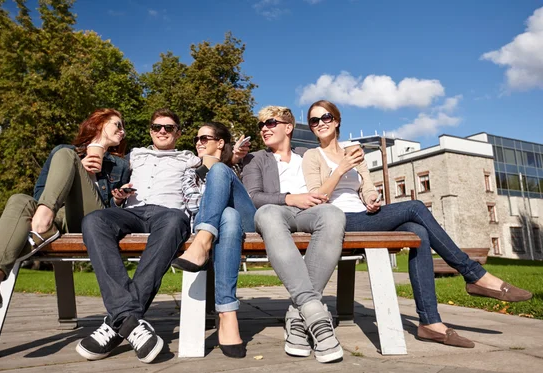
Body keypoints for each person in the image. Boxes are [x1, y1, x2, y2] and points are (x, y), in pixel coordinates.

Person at [302, 99, 533, 348]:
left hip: (363, 216)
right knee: (415, 206)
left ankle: (429, 323)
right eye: (314, 121)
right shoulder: (312, 156)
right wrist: (340, 169)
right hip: (336, 220)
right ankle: (474, 274)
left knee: (418, 230)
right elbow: (318, 199)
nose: (320, 123)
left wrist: (372, 199)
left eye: (326, 117)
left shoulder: (354, 153)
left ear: (336, 121)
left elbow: (367, 187)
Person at [0, 109, 130, 322]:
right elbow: (40, 194)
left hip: (90, 220)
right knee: (19, 200)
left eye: (123, 128)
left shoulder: (120, 165)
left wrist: (114, 198)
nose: (122, 132)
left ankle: (41, 228)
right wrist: (77, 167)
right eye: (118, 125)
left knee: (65, 159)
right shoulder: (63, 152)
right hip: (56, 214)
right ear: (99, 123)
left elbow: (111, 214)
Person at [75, 108, 200, 364]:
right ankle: (129, 319)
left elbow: (216, 164)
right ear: (150, 131)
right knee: (95, 220)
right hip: (131, 213)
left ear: (178, 133)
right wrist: (118, 197)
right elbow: (105, 173)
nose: (162, 131)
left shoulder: (189, 158)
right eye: (157, 127)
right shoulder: (134, 156)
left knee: (177, 220)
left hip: (169, 214)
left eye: (168, 127)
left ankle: (117, 321)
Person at [241, 106, 347, 363]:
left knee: (333, 214)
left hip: (311, 213)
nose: (264, 128)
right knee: (267, 213)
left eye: (270, 123)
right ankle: (314, 312)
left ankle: (297, 315)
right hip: (278, 212)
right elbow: (253, 197)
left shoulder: (309, 154)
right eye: (261, 125)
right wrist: (290, 198)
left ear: (288, 127)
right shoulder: (255, 158)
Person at [171, 122, 256, 358]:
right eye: (196, 139)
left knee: (220, 172)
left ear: (220, 143)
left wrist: (217, 168)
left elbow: (250, 197)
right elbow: (192, 204)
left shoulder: (236, 166)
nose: (198, 142)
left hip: (247, 221)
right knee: (227, 215)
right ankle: (227, 314)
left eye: (204, 138)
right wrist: (206, 175)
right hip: (226, 224)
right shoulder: (190, 170)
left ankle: (202, 242)